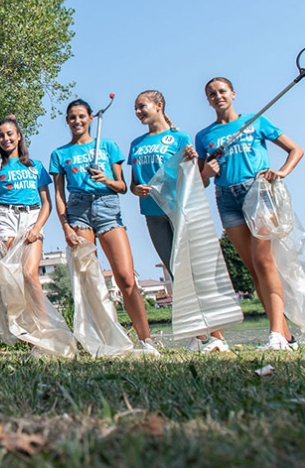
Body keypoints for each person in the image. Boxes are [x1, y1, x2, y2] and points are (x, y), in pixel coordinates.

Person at [196, 77, 303, 351]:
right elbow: (202, 179)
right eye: (211, 94)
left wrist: (281, 171)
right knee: (254, 269)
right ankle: (284, 335)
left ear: (232, 93)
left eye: (221, 91)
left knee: (264, 261)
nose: (217, 96)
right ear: (207, 100)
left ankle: (276, 336)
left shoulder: (256, 121)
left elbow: (295, 149)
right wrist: (207, 172)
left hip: (257, 193)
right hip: (226, 197)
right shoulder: (204, 137)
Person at [49, 99, 158, 355]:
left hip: (108, 208)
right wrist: (65, 226)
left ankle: (146, 339)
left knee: (125, 277)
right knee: (89, 280)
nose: (77, 121)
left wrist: (105, 179)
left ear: (90, 118)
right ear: (67, 121)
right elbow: (58, 194)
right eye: (72, 117)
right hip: (78, 211)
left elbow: (122, 187)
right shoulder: (60, 154)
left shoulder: (108, 145)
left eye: (81, 116)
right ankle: (100, 340)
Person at [129, 90, 228, 353]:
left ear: (159, 105)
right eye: (136, 109)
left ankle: (217, 336)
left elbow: (194, 178)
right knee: (175, 272)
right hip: (152, 215)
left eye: (142, 106)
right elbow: (133, 183)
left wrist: (196, 163)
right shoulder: (136, 144)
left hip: (178, 211)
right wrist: (137, 189)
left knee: (193, 270)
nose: (138, 112)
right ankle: (200, 336)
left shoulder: (180, 138)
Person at [0, 115, 53, 348]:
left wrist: (37, 227)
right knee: (14, 279)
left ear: (19, 136)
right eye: (1, 135)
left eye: (10, 134)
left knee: (29, 273)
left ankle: (44, 331)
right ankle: (28, 336)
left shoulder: (35, 166)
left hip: (32, 217)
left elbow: (47, 203)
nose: (6, 139)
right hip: (5, 218)